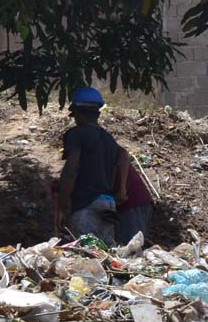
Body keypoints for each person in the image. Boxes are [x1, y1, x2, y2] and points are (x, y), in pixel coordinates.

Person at [56, 87, 122, 245]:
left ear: (77, 113)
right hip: (108, 203)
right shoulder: (110, 140)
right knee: (105, 255)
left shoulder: (77, 134)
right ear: (97, 114)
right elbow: (114, 174)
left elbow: (70, 171)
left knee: (84, 253)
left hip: (86, 204)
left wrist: (62, 206)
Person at [115, 151, 154, 245]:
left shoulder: (102, 145)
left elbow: (123, 154)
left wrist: (122, 189)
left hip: (132, 203)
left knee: (132, 247)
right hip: (126, 204)